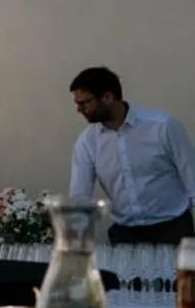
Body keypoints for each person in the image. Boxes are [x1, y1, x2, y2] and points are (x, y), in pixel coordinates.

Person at [68, 65, 195, 244]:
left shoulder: (163, 127)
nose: (79, 109)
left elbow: (191, 176)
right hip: (125, 234)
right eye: (77, 103)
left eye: (85, 102)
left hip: (173, 229)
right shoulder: (87, 142)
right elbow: (80, 198)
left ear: (108, 97)